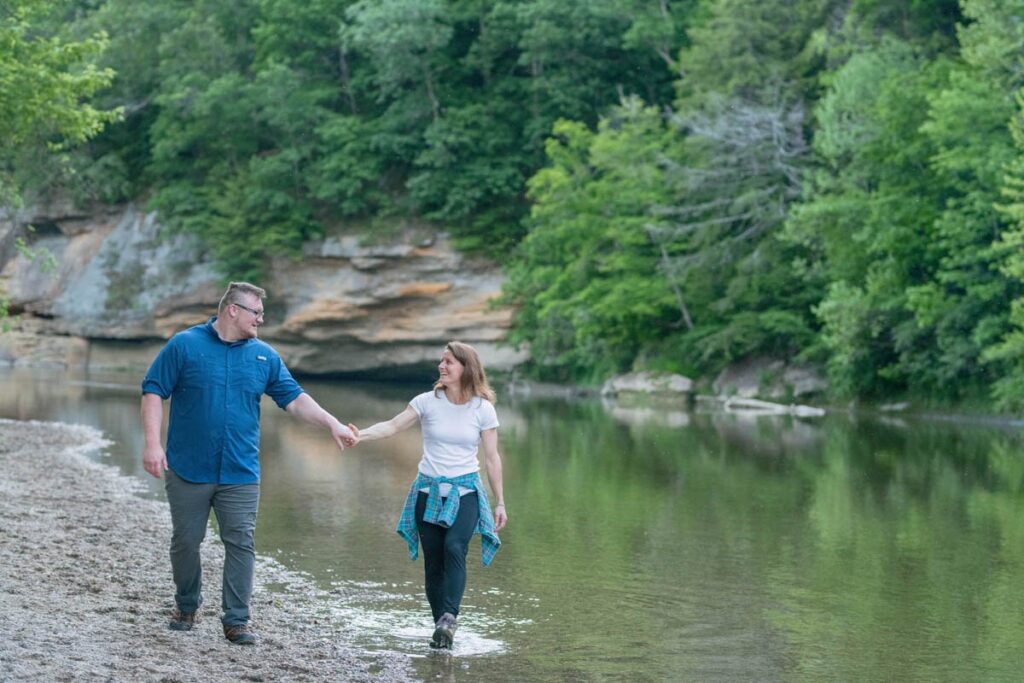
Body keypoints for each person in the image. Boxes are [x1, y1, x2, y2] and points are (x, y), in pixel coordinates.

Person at [141, 281, 356, 645]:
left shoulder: (264, 356)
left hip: (240, 471)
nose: (261, 318)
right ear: (233, 310)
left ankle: (236, 621)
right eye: (256, 312)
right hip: (187, 468)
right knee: (185, 541)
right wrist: (151, 445)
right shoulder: (184, 345)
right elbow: (153, 391)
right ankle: (186, 604)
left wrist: (332, 422)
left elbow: (295, 399)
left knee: (241, 542)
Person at [348, 340, 508, 649]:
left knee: (454, 547)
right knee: (433, 561)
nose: (442, 366)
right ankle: (441, 630)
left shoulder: (482, 408)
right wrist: (360, 435)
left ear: (466, 368)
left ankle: (450, 617)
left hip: (465, 492)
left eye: (449, 362)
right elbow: (393, 426)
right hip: (427, 489)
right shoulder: (426, 401)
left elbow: (491, 458)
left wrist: (500, 501)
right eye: (441, 361)